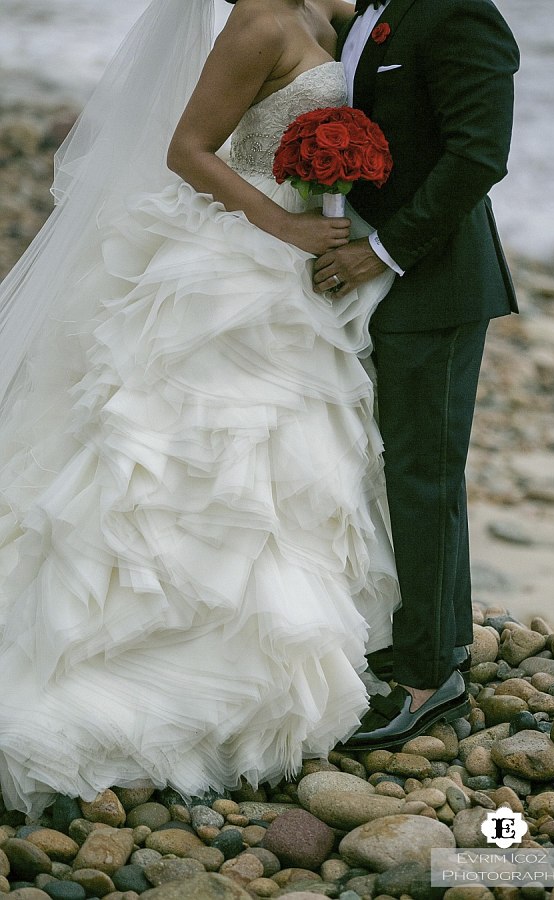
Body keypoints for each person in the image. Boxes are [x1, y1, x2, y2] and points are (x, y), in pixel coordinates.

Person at [0, 0, 400, 817]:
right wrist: (281, 223)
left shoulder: (324, 12)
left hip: (297, 255)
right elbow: (185, 150)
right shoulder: (255, 21)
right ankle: (157, 663)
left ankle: (274, 653)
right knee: (192, 450)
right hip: (244, 249)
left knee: (285, 461)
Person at [312, 0, 520, 748]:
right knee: (411, 469)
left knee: (422, 475)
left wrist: (383, 251)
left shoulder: (458, 12)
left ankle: (430, 680)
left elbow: (478, 155)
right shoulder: (370, 8)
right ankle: (444, 637)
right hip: (383, 279)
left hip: (434, 280)